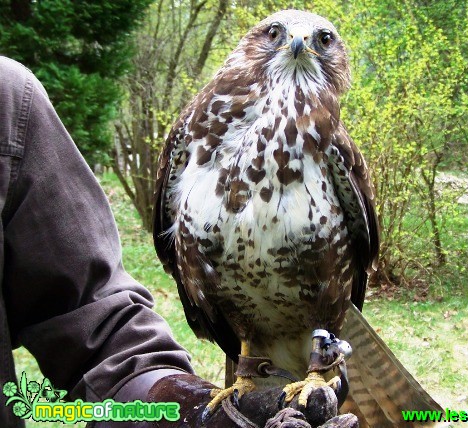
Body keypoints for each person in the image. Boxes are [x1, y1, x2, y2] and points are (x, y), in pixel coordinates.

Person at [0, 56, 355, 428]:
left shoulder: (9, 102)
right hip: (247, 329)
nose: (297, 46)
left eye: (322, 42)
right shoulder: (198, 126)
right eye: (276, 34)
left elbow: (96, 329)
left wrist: (184, 413)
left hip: (316, 329)